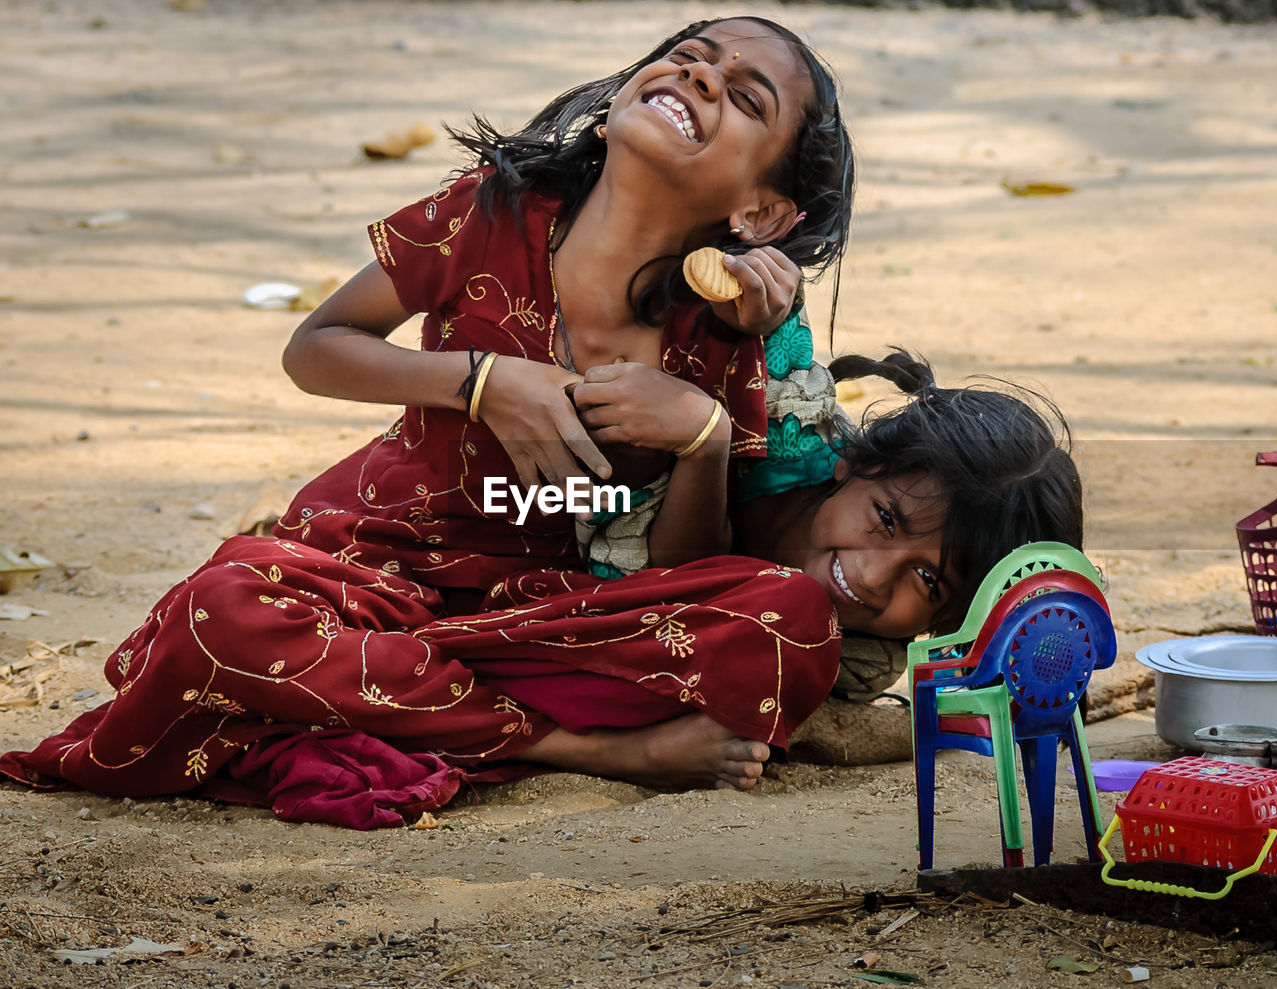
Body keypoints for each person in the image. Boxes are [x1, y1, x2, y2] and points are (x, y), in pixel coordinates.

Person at [2, 17, 863, 827]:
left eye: (747, 98)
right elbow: (316, 346)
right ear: (623, 99)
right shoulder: (492, 211)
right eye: (691, 53)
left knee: (788, 615)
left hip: (539, 611)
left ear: (761, 213)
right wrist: (481, 381)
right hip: (358, 570)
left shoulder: (723, 330)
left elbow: (678, 577)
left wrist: (705, 436)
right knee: (222, 611)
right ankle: (589, 749)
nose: (702, 75)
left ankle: (386, 703)